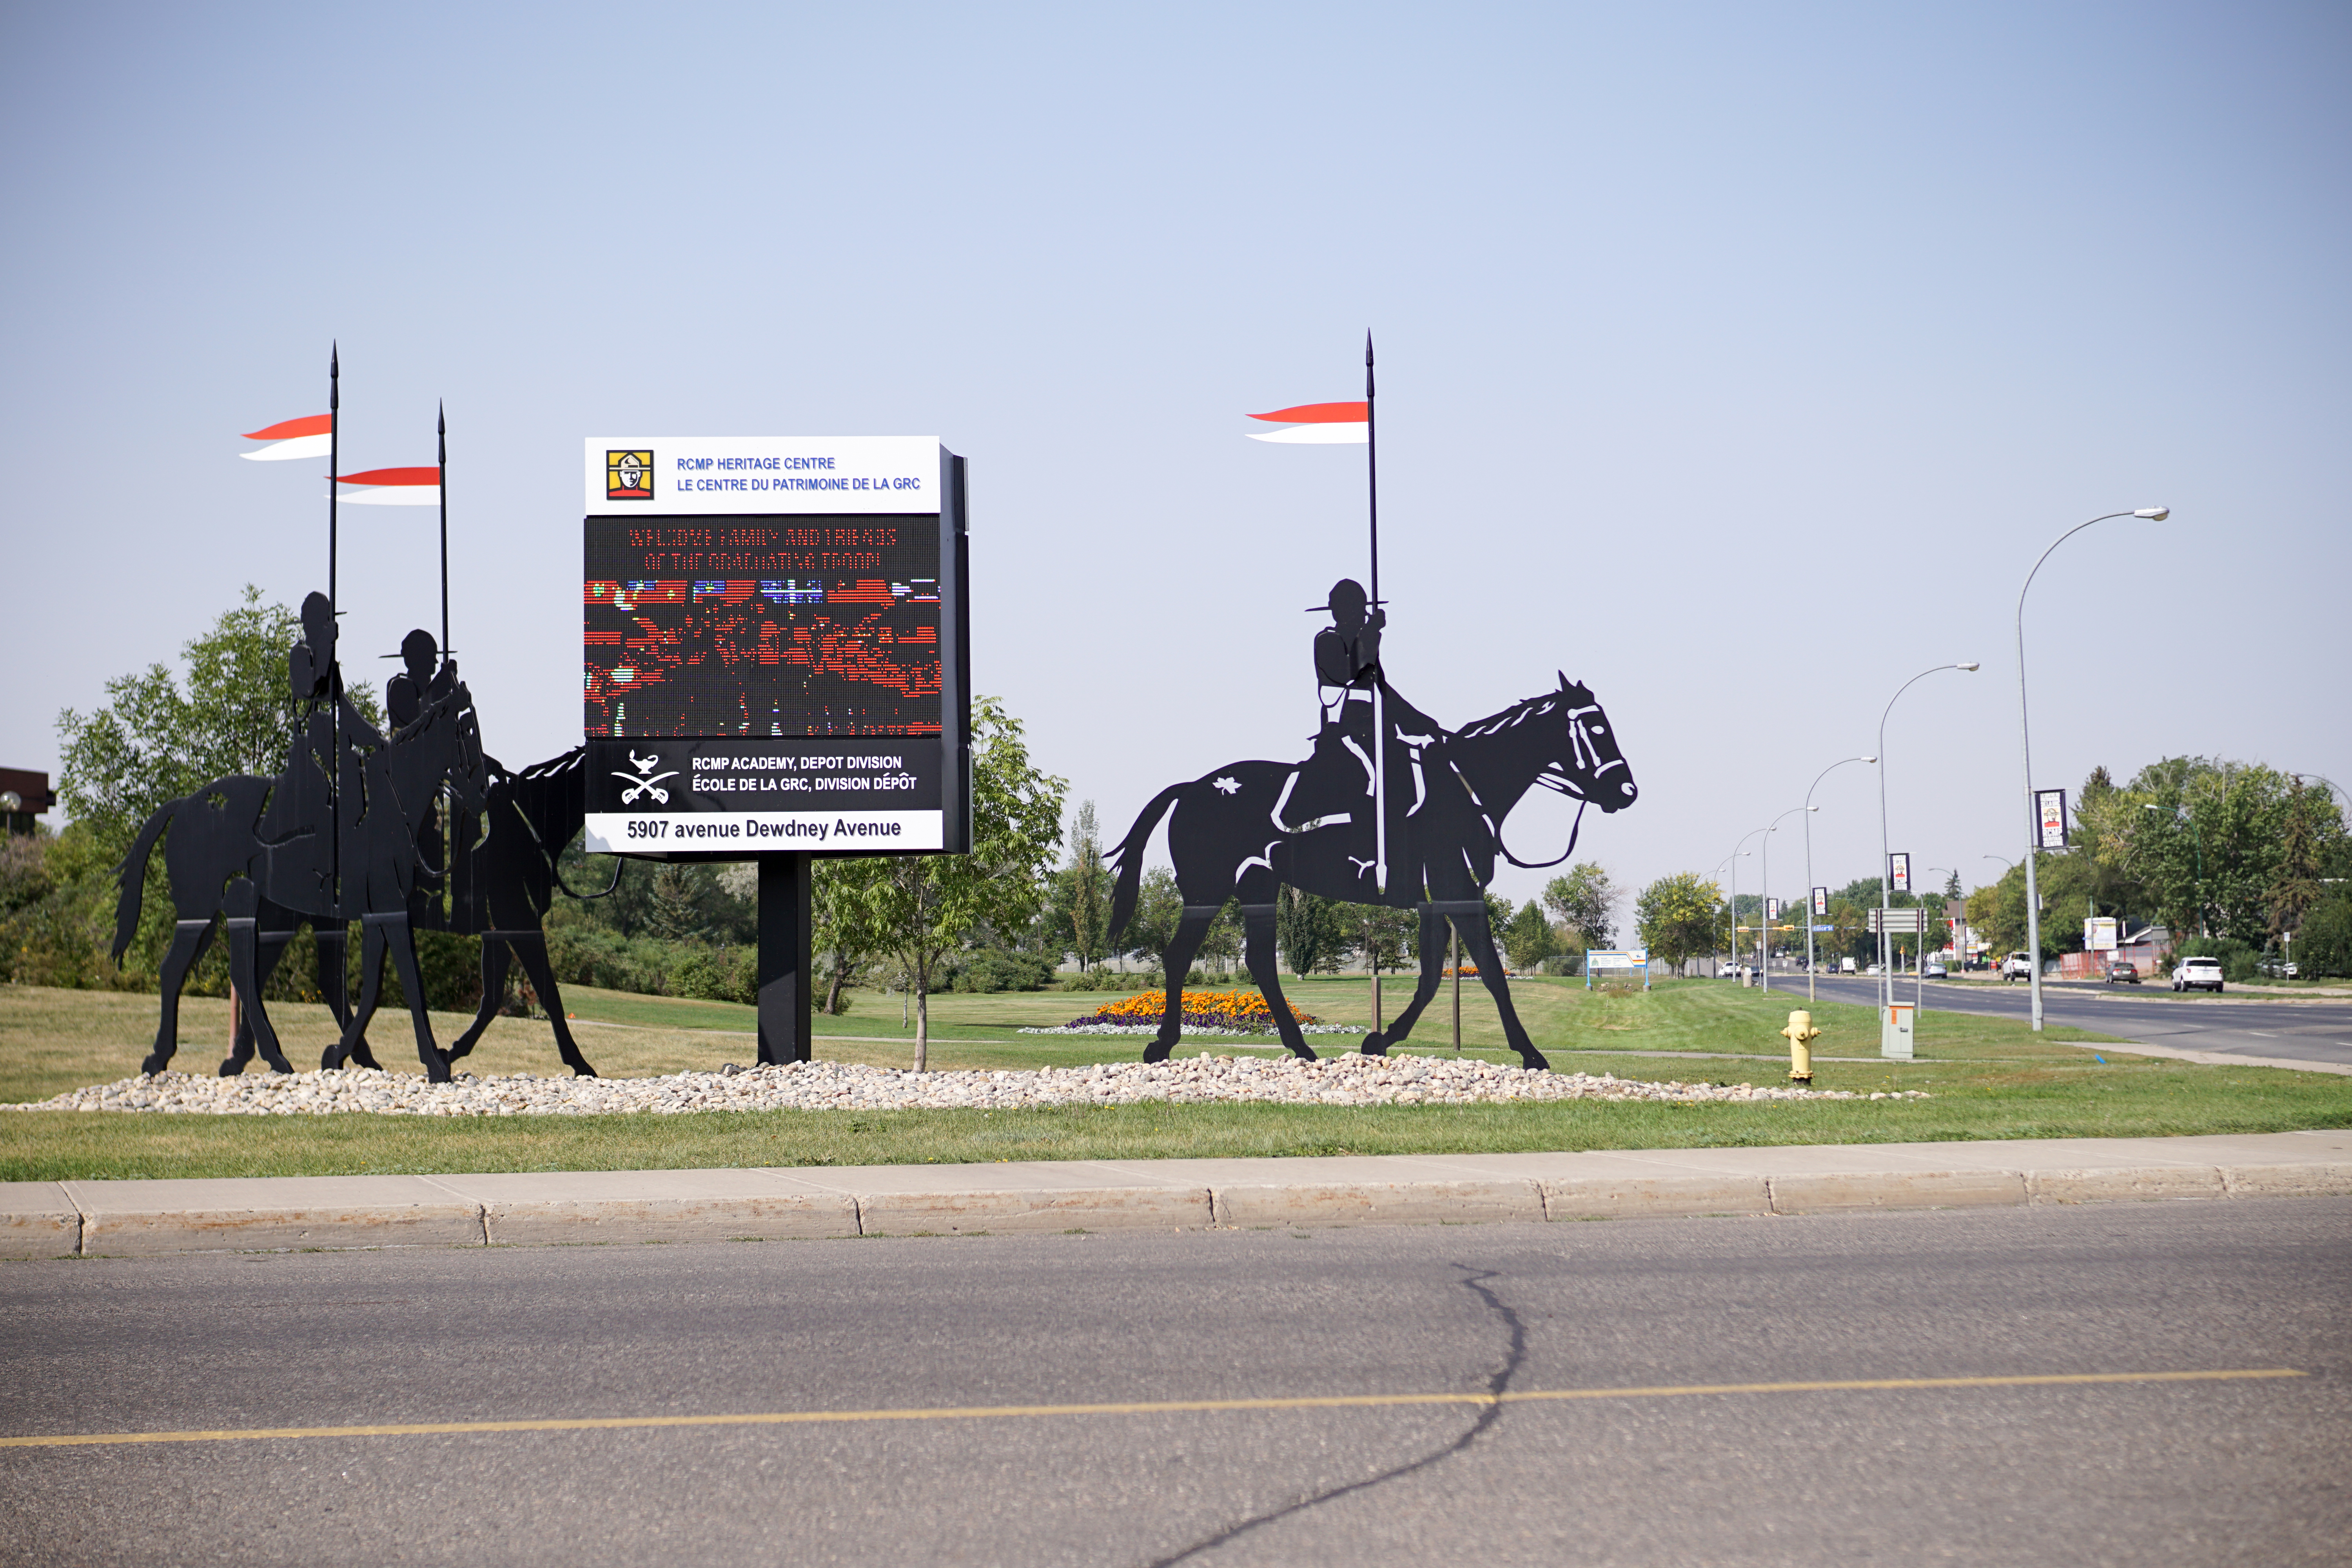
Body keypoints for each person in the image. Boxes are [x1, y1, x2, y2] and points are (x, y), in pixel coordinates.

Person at [1285, 579, 1444, 893]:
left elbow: (1383, 691)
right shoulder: (1326, 641)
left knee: (1410, 771)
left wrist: (1423, 722)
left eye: (1364, 609)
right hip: (1342, 733)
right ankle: (1361, 862)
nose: (1362, 615)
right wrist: (1371, 633)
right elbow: (1349, 673)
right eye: (1357, 609)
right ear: (1341, 610)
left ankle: (1405, 859)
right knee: (1372, 778)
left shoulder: (1365, 642)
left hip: (1377, 734)